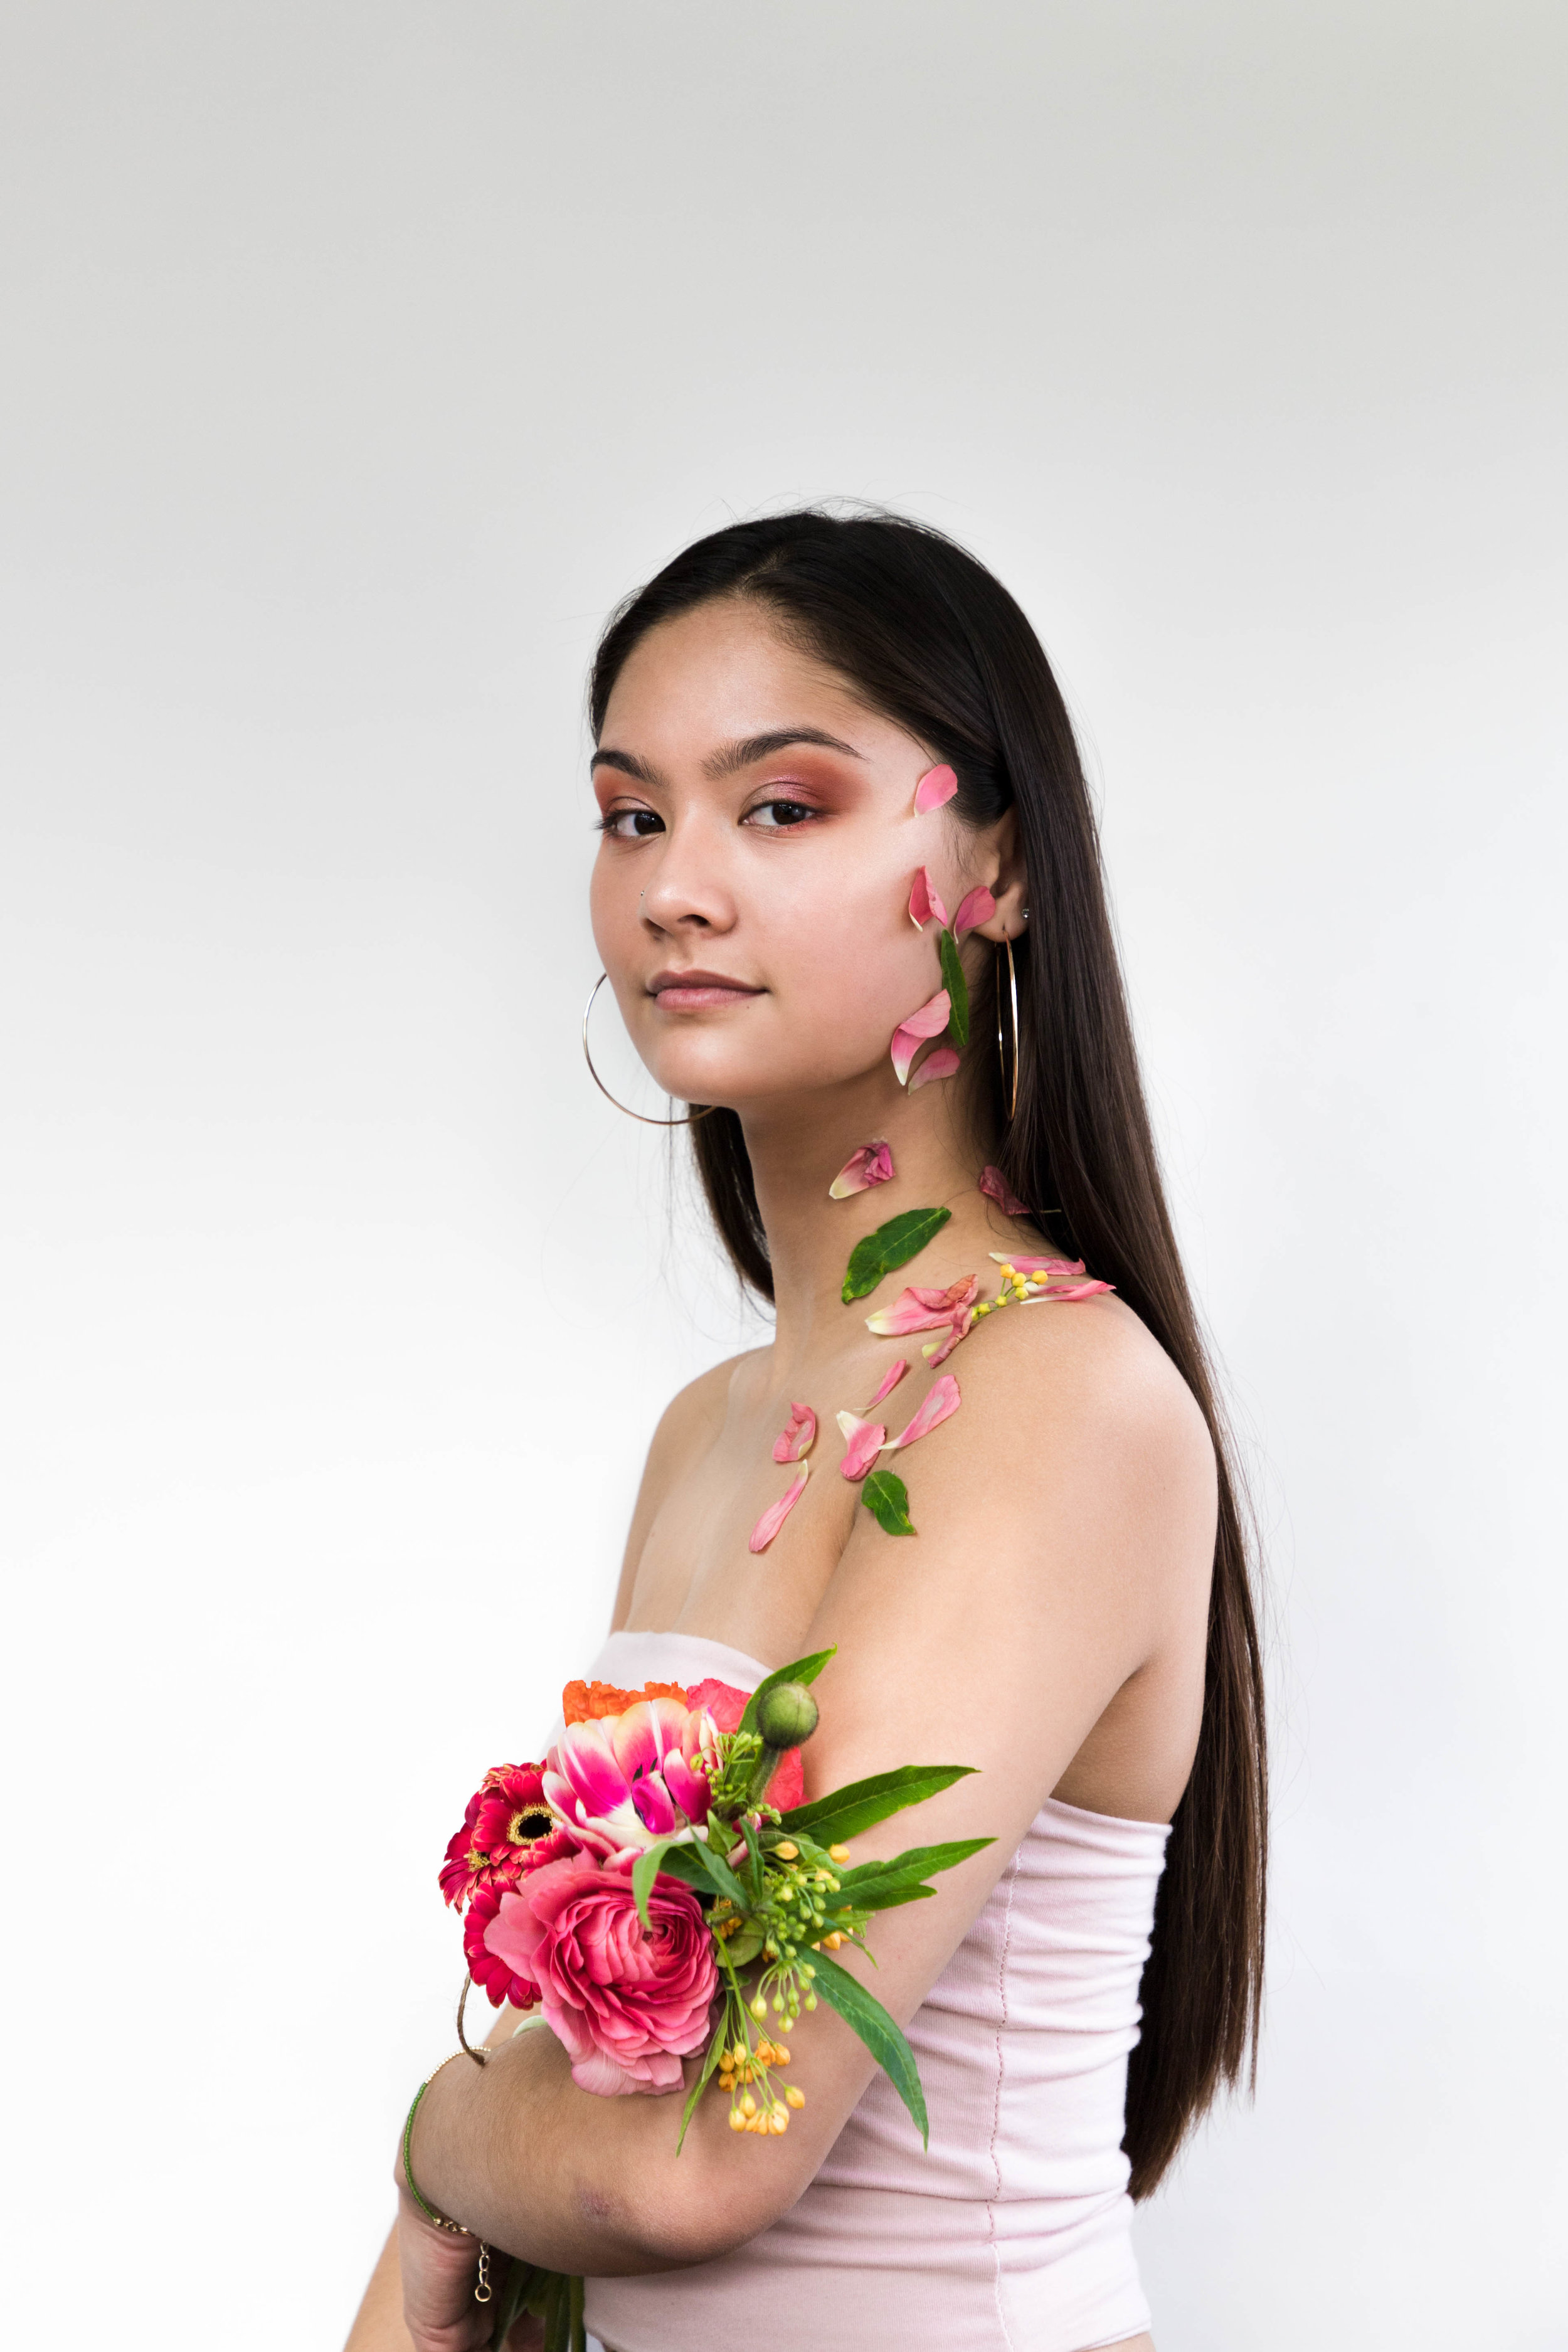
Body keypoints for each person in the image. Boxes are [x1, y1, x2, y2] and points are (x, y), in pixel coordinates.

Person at [346, 511, 1267, 2352]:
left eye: (782, 808)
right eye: (632, 816)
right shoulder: (714, 1430)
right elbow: (592, 2079)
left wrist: (439, 2139)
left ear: (994, 868)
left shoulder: (1053, 1400)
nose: (678, 887)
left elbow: (691, 2158)